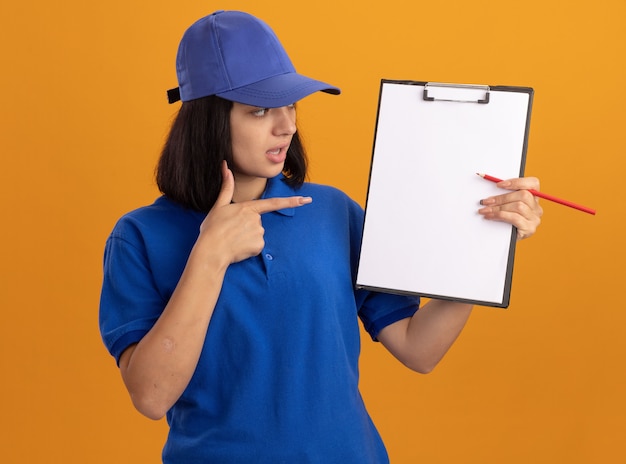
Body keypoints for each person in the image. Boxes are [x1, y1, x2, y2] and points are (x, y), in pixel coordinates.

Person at [99, 10, 543, 463]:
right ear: (208, 121)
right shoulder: (139, 237)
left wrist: (487, 242)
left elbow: (418, 348)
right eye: (259, 110)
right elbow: (151, 396)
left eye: (290, 105)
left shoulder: (332, 212)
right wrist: (209, 256)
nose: (286, 126)